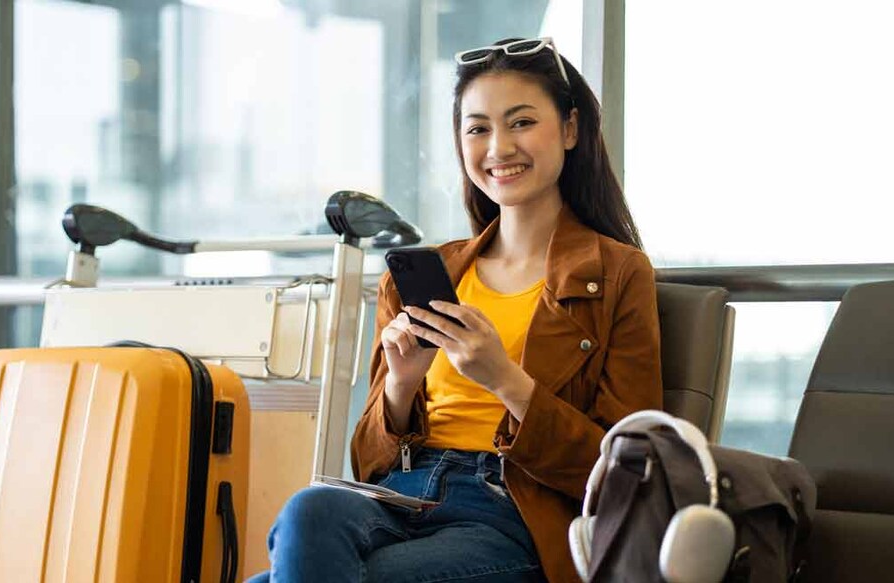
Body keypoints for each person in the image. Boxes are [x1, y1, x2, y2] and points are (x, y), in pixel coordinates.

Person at [249, 37, 662, 583]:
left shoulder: (618, 273)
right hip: (402, 496)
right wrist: (401, 386)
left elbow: (623, 471)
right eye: (478, 129)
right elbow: (368, 462)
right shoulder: (427, 275)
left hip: (511, 513)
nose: (499, 148)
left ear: (570, 129)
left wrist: (505, 379)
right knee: (309, 510)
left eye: (521, 122)